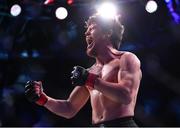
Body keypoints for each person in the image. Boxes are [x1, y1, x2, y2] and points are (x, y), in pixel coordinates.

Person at [25, 13, 142, 127]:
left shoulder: (126, 58)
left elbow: (126, 95)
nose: (86, 33)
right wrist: (42, 98)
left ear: (108, 32)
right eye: (87, 30)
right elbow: (69, 108)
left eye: (92, 28)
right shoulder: (91, 72)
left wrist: (91, 80)